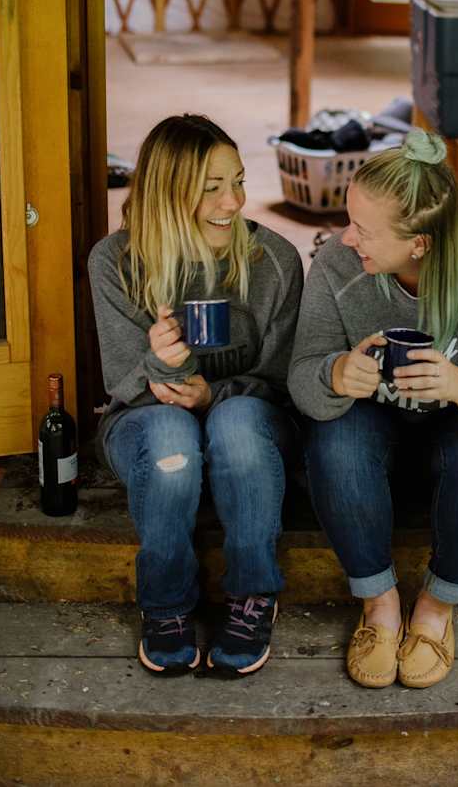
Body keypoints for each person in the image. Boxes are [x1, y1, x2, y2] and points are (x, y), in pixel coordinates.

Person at [288, 128, 458, 691]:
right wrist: (336, 373)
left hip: (456, 442)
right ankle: (379, 604)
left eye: (363, 229)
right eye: (349, 220)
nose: (345, 239)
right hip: (372, 431)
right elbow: (302, 383)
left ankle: (436, 607)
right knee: (333, 437)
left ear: (420, 244)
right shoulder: (337, 266)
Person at [88, 114, 303, 679]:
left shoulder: (276, 260)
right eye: (211, 188)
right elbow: (122, 383)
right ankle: (165, 605)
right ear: (167, 191)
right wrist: (161, 361)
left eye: (238, 181)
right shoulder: (115, 262)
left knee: (235, 422)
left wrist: (213, 395)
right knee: (170, 435)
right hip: (147, 429)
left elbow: (283, 381)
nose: (233, 202)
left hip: (250, 431)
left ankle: (253, 594)